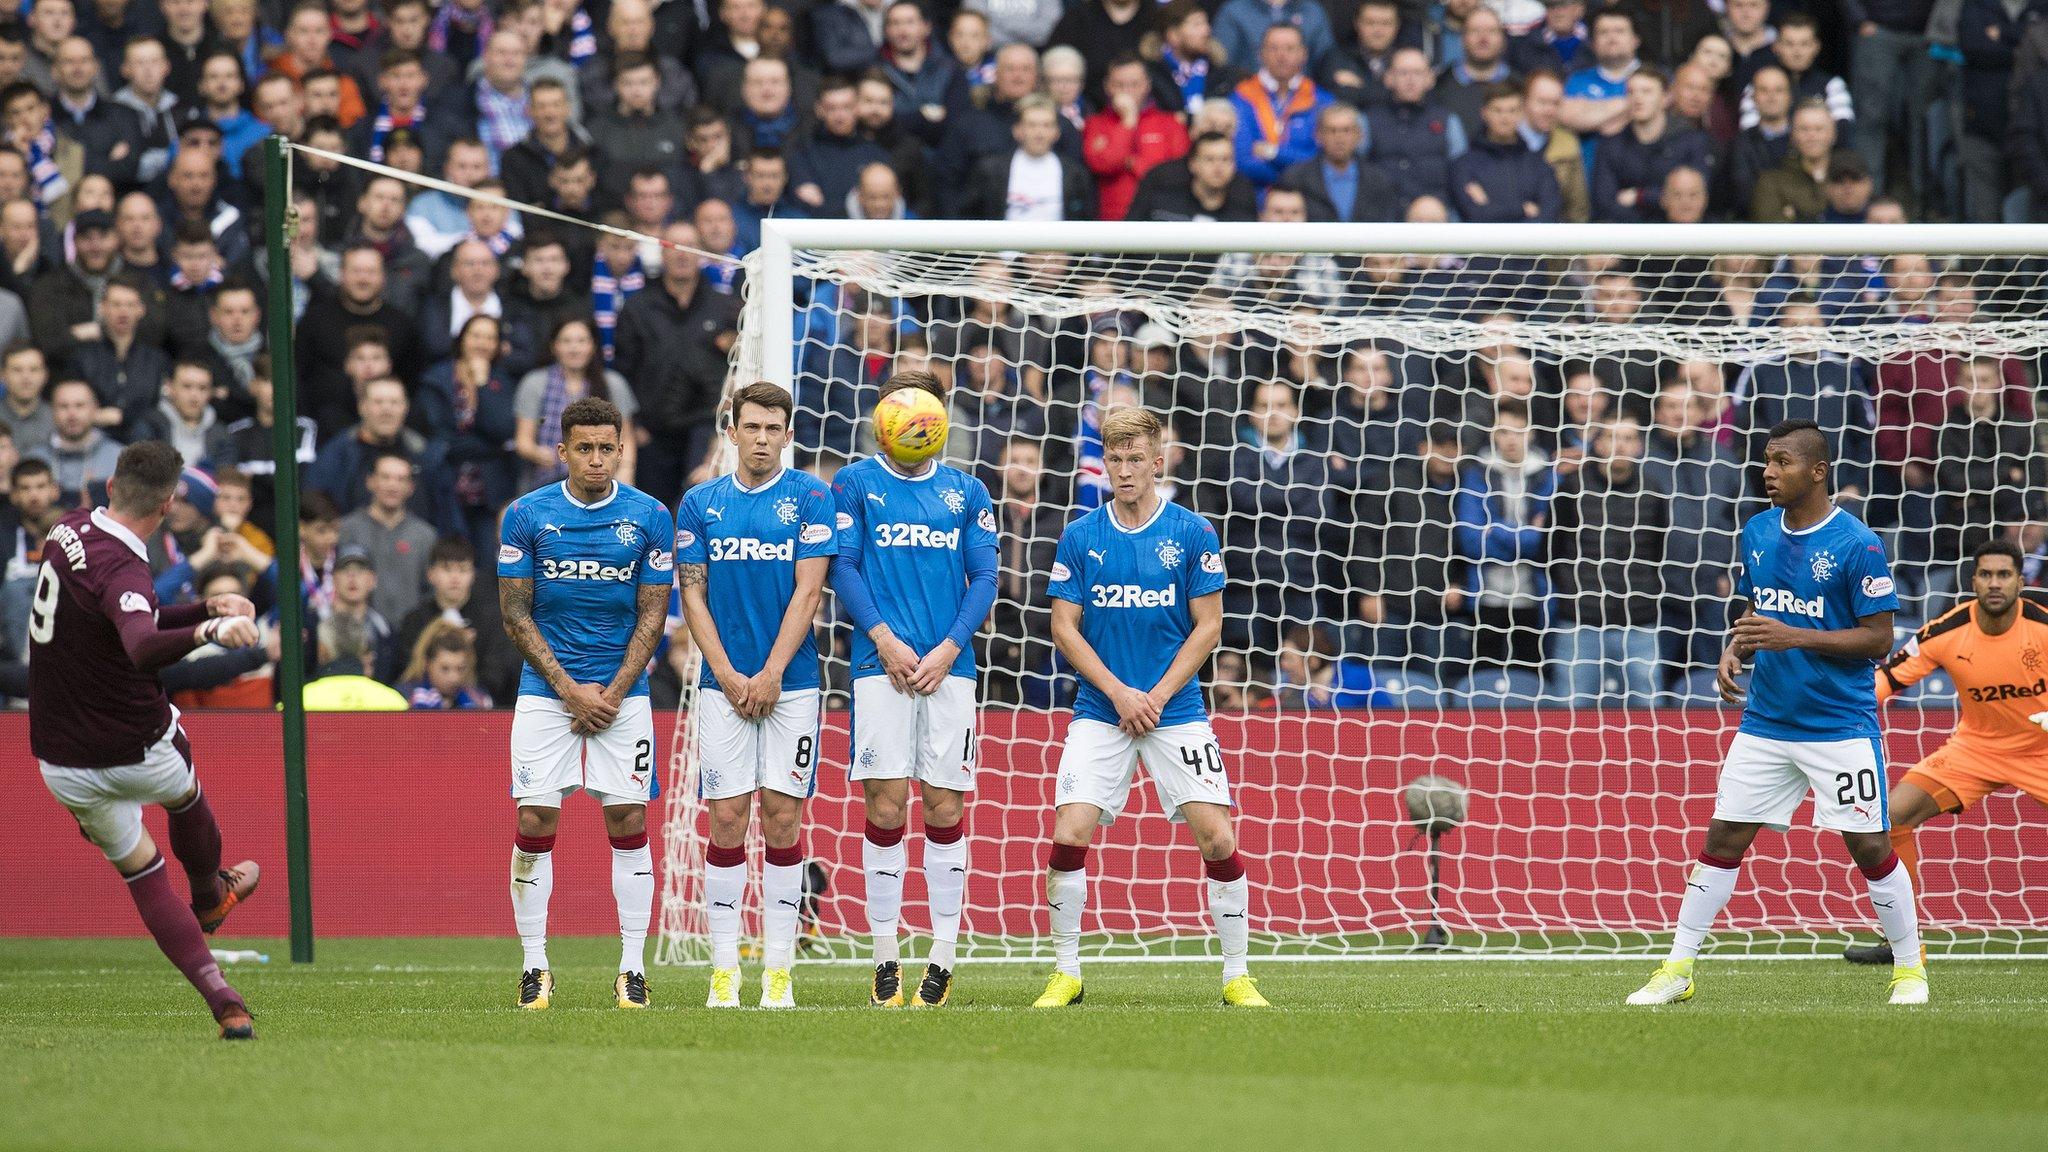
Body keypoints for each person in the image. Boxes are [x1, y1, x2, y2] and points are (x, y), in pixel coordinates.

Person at [1628, 419, 1925, 1007]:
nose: (1769, 472)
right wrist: (1735, 645)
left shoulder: (1856, 543)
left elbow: (1877, 640)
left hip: (1839, 726)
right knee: (1722, 839)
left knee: (1869, 846)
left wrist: (1793, 636)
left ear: (1818, 471)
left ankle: (1910, 970)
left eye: (1783, 462)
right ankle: (1677, 968)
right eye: (1766, 460)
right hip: (1766, 722)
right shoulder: (1758, 530)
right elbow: (1758, 608)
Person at [28, 439, 262, 1039]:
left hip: (62, 761)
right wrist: (211, 627)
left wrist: (203, 602)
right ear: (165, 508)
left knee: (143, 873)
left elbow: (133, 615)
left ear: (109, 487)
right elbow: (140, 644)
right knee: (184, 792)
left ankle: (226, 1003)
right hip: (135, 744)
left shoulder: (68, 528)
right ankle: (211, 894)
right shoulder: (126, 567)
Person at [1034, 406, 1267, 1009]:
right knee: (1069, 832)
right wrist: (1118, 693)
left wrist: (1157, 695)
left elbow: (1209, 626)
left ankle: (1237, 976)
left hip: (1177, 709)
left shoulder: (1191, 532)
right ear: (1103, 464)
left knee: (1217, 837)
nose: (1125, 470)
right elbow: (1064, 627)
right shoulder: (1083, 536)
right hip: (1101, 708)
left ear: (1158, 462)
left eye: (1136, 459)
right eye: (1115, 459)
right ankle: (1066, 973)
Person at [497, 396, 674, 1012]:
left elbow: (653, 616)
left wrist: (613, 692)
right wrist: (571, 690)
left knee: (628, 822)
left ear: (621, 450)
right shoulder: (526, 515)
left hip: (623, 696)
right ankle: (535, 965)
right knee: (534, 821)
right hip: (548, 697)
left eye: (607, 448)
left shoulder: (650, 516)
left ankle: (631, 967)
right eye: (585, 448)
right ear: (563, 451)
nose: (597, 460)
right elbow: (515, 614)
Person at [829, 371, 999, 1008]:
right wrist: (885, 640)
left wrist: (948, 646)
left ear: (939, 419)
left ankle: (944, 956)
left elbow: (984, 577)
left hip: (949, 668)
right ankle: (884, 957)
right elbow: (842, 567)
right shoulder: (854, 483)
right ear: (882, 419)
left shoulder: (968, 490)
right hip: (881, 669)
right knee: (885, 807)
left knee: (947, 809)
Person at [675, 382, 833, 1008]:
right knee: (727, 816)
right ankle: (723, 971)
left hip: (791, 685)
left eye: (774, 428)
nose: (762, 438)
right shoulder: (701, 504)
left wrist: (768, 673)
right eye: (752, 427)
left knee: (783, 814)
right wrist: (729, 673)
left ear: (788, 435)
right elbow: (693, 594)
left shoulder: (810, 498)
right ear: (732, 430)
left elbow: (809, 592)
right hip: (722, 685)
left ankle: (778, 972)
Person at [1842, 540, 2048, 965]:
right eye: (1986, 575)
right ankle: (1901, 940)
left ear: (2020, 581)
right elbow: (1889, 679)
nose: (1995, 584)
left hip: (2041, 749)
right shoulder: (1945, 631)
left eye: (2004, 575)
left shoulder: (2042, 628)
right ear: (1973, 581)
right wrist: (1842, 712)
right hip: (1976, 748)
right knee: (1892, 816)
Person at [338, 450, 439, 625]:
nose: (393, 486)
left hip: (411, 634)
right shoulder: (347, 529)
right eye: (386, 477)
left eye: (401, 479)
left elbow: (431, 592)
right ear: (370, 482)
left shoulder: (425, 535)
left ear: (411, 488)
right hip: (359, 632)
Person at [397, 621, 493, 709]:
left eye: (460, 669)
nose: (454, 678)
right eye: (445, 669)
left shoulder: (480, 701)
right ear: (427, 663)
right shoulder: (404, 698)